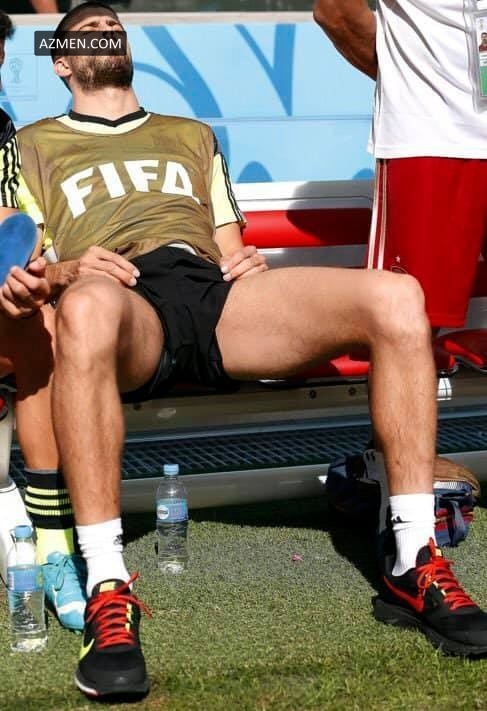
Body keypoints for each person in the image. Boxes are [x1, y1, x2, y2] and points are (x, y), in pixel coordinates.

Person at [7, 1, 487, 699]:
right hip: (121, 300)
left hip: (214, 295)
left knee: (396, 295)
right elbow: (26, 262)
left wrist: (247, 260)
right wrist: (64, 272)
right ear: (59, 61)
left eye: (113, 25)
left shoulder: (191, 134)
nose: (105, 33)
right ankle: (109, 585)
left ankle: (413, 557)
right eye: (86, 31)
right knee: (83, 305)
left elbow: (229, 246)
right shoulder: (31, 144)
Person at [313, 0, 487, 648]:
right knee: (409, 325)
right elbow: (334, 10)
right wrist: (422, 80)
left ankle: (379, 476)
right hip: (432, 139)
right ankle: (407, 539)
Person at [0, 9, 86, 632]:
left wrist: (22, 269)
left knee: (42, 327)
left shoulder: (3, 131)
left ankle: (53, 545)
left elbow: (11, 217)